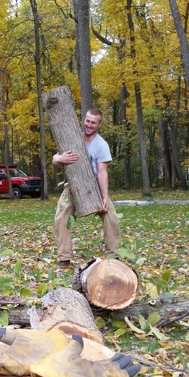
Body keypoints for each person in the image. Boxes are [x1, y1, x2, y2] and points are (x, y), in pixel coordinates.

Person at [52, 108, 120, 269]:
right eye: (87, 121)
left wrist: (104, 197)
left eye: (93, 122)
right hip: (73, 185)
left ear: (99, 124)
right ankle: (64, 259)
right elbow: (55, 159)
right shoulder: (72, 137)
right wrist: (60, 158)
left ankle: (113, 257)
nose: (89, 125)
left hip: (94, 186)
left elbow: (102, 172)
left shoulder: (101, 145)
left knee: (111, 217)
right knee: (61, 217)